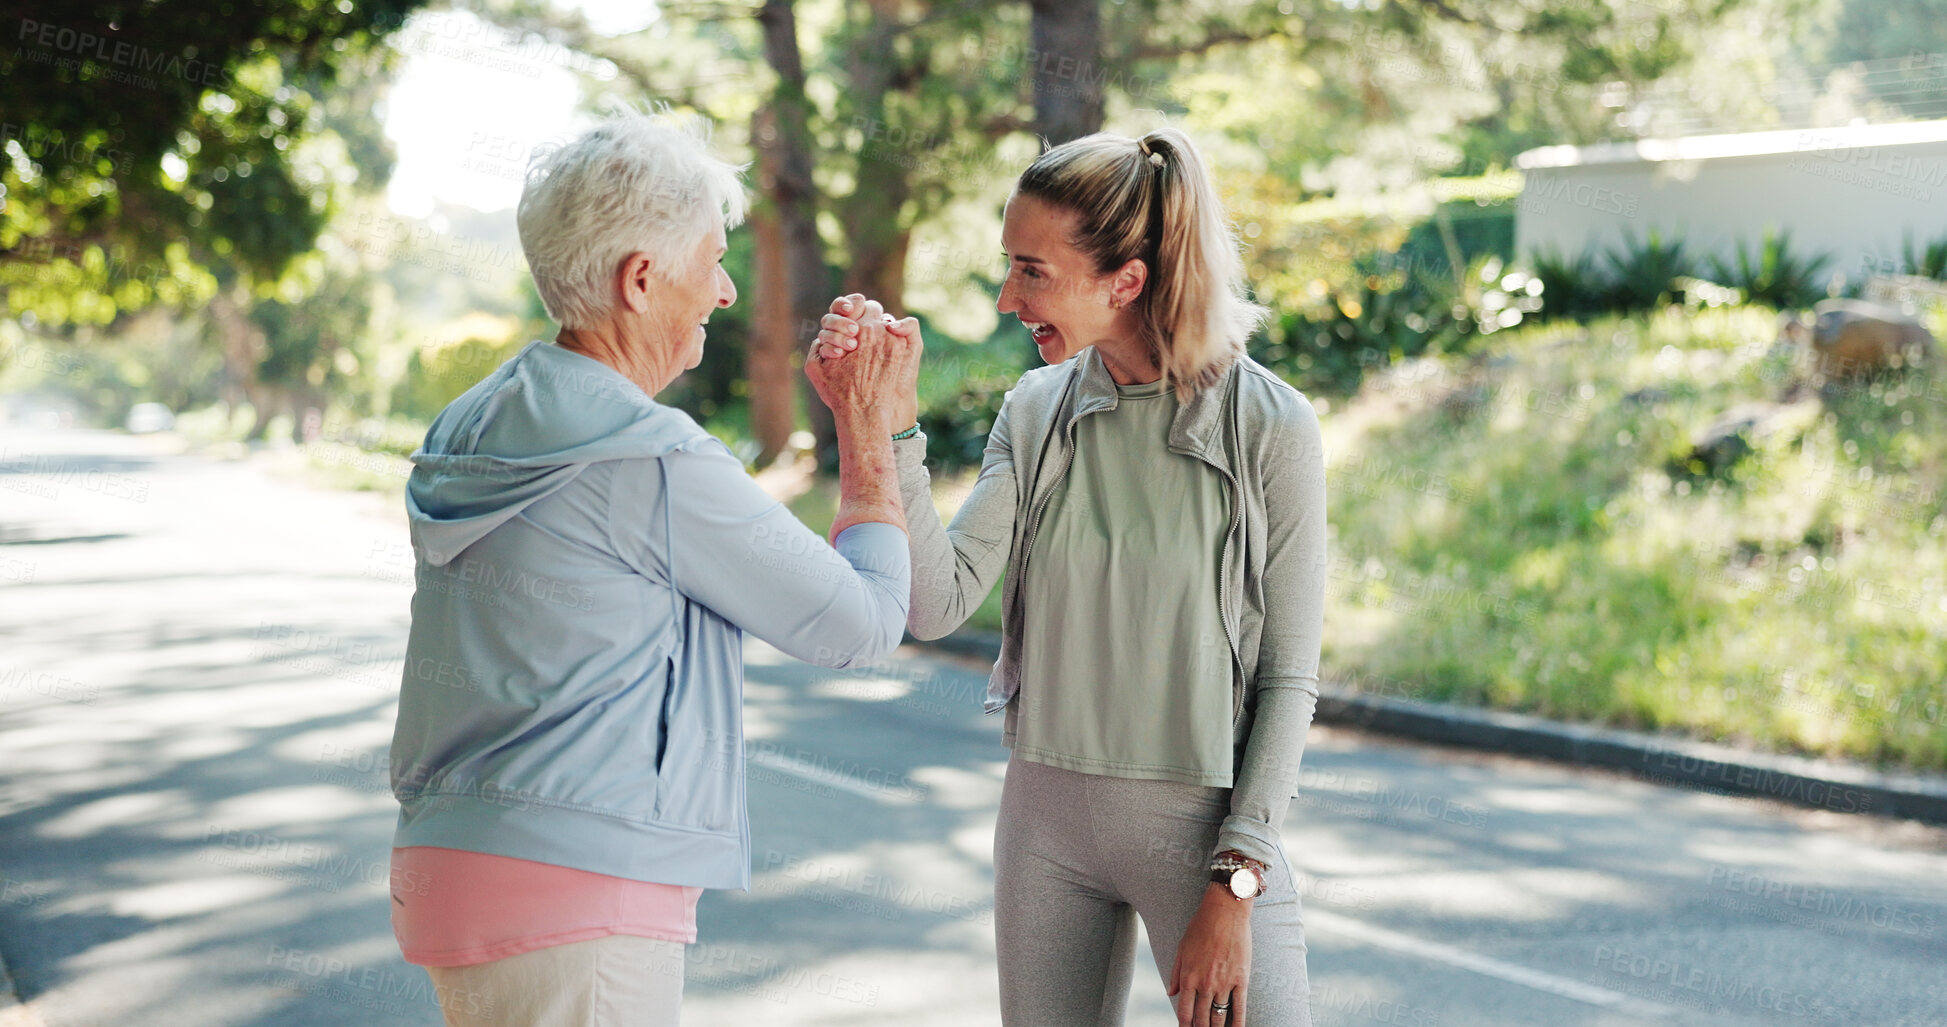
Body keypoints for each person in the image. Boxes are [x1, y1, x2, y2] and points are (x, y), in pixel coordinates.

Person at [385, 111, 921, 1026]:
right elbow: (860, 625)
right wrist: (869, 430)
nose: (722, 291)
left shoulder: (470, 423)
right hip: (580, 891)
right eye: (712, 260)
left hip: (450, 869)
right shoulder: (648, 457)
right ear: (641, 279)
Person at [812, 126, 1326, 1027]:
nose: (1008, 297)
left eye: (1030, 270)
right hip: (1044, 825)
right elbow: (936, 600)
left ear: (1124, 280)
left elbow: (1288, 675)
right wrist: (890, 425)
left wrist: (1237, 876)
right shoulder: (1038, 408)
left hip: (1203, 837)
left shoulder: (1268, 425)